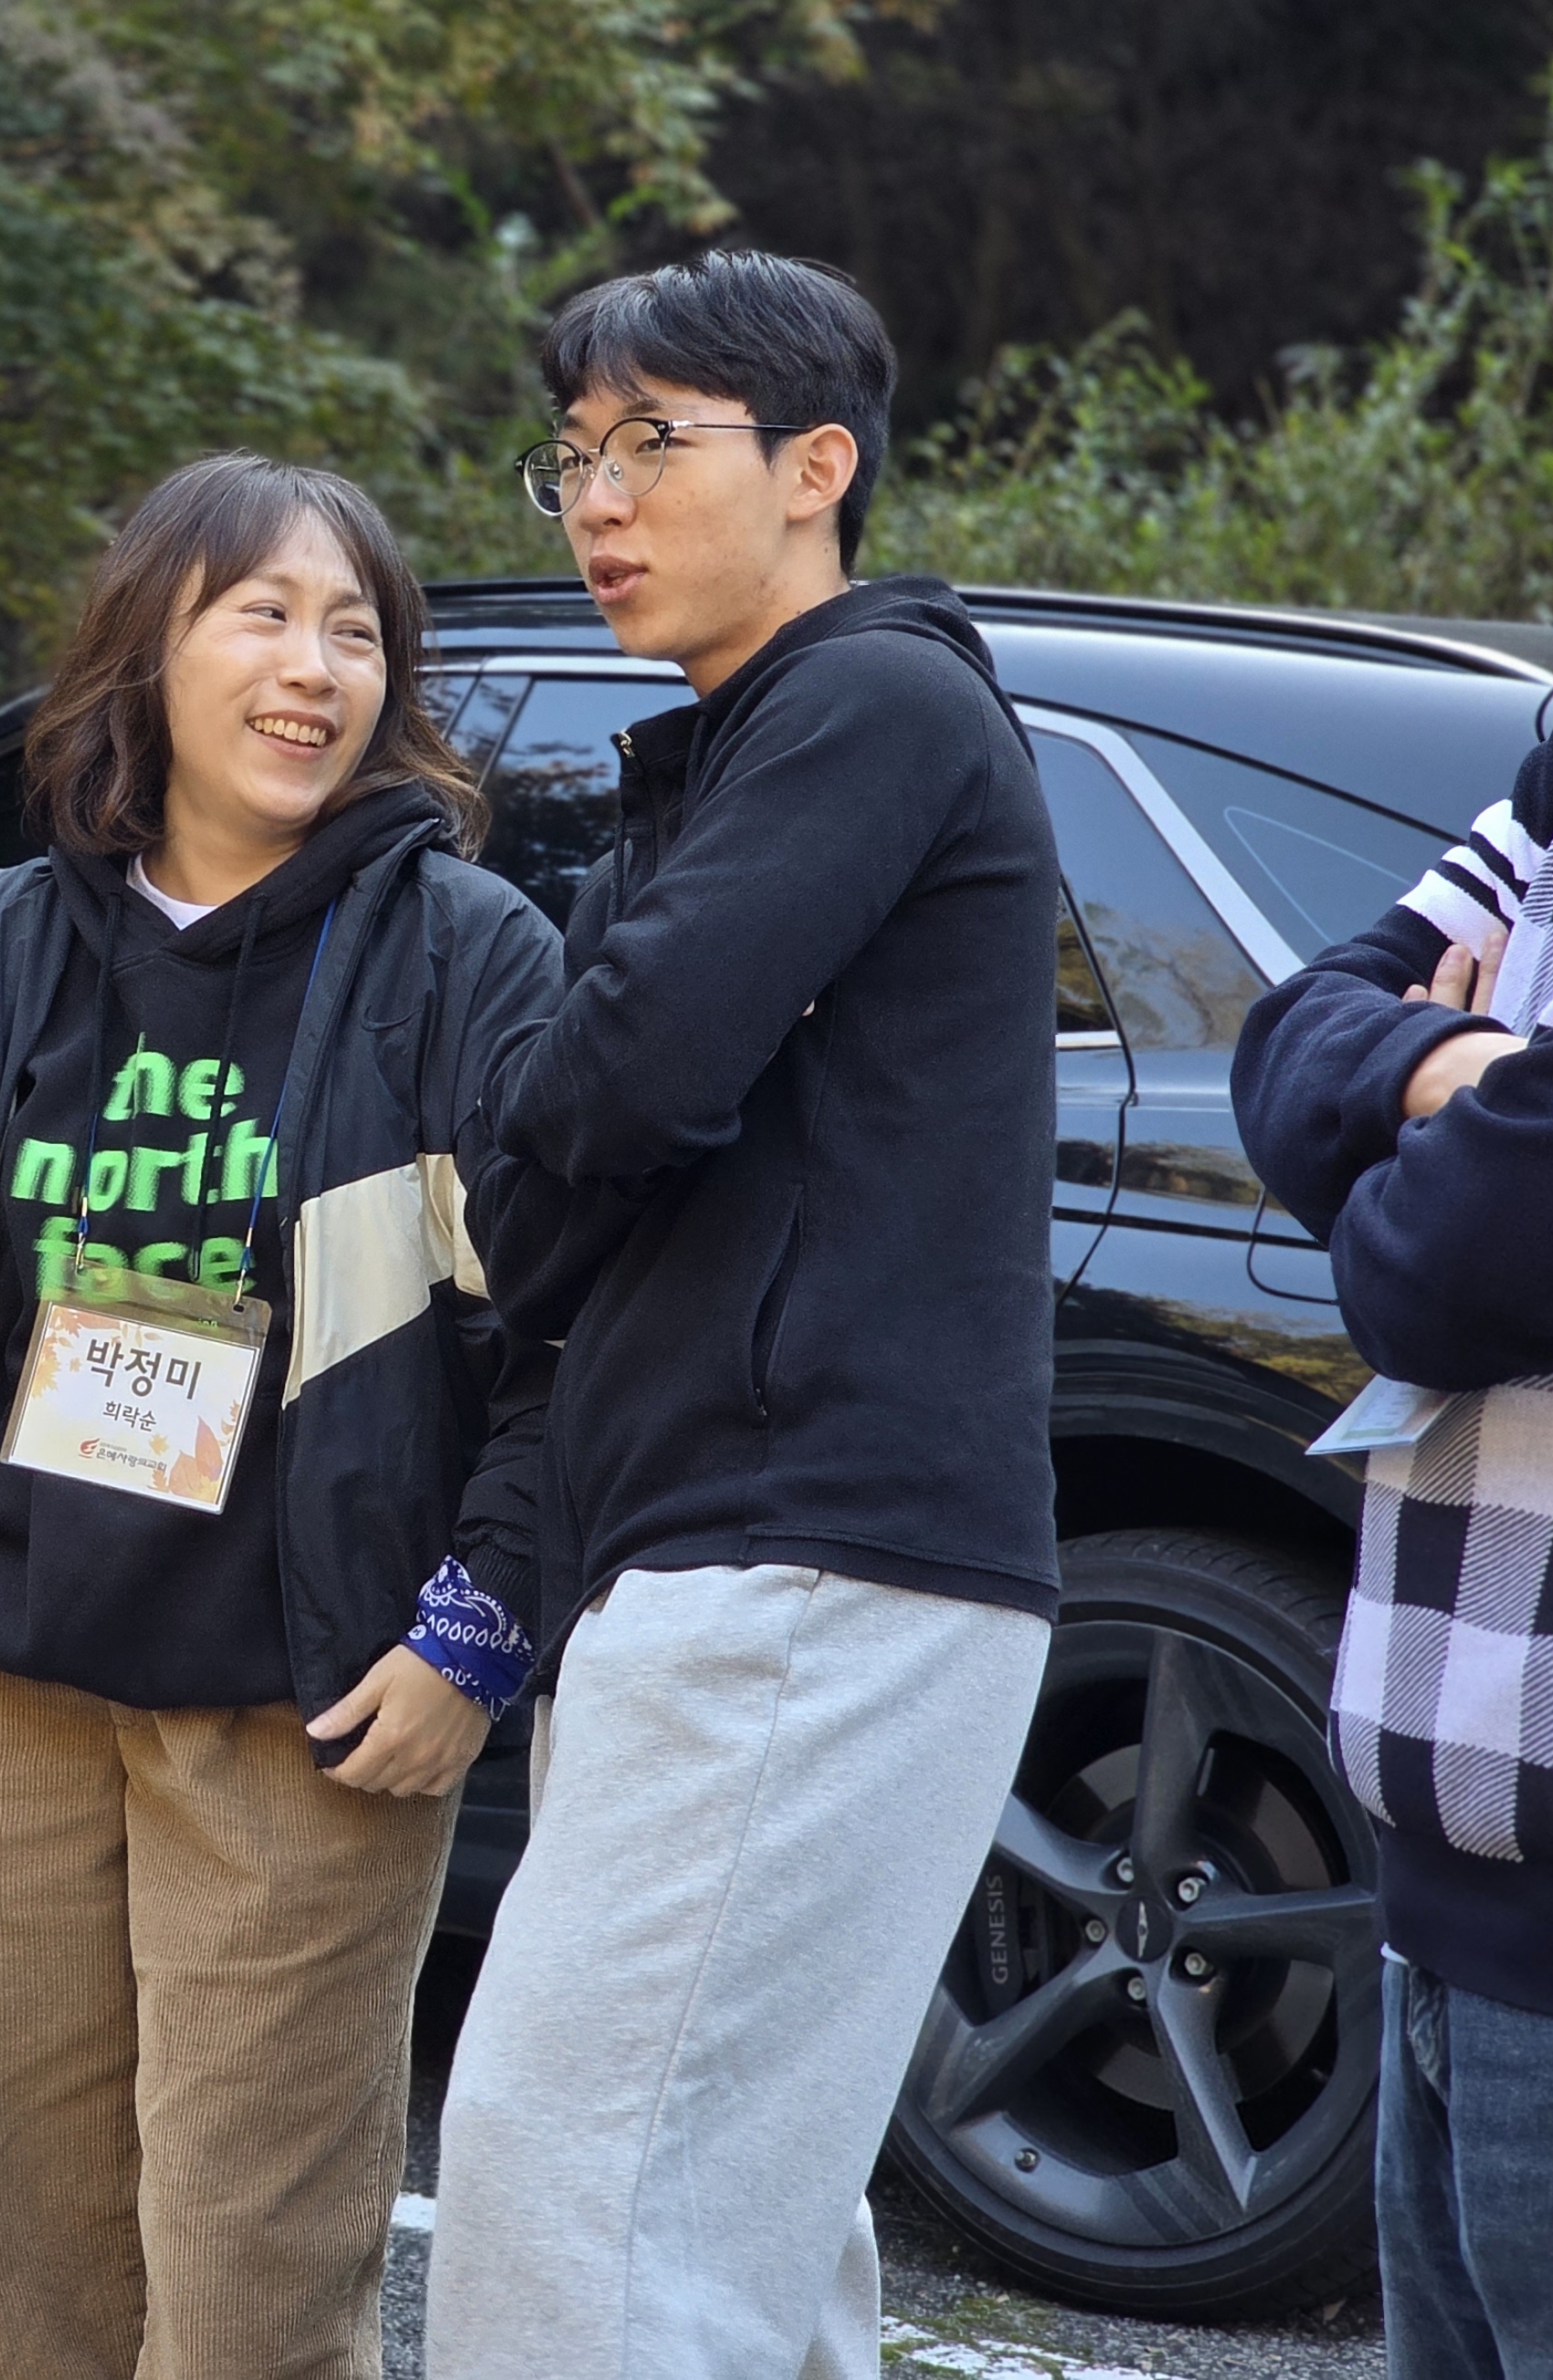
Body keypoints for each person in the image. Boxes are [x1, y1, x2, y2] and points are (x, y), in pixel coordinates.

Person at [0, 452, 565, 2380]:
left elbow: (580, 1338)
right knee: (25, 2283)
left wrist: (477, 1628)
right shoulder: (13, 958)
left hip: (300, 1715)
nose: (314, 669)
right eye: (262, 615)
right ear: (148, 649)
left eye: (356, 632)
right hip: (7, 1698)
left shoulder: (465, 957)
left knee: (245, 2309)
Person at [426, 253, 1062, 2379]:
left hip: (801, 1551)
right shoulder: (721, 752)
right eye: (568, 458)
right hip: (733, 1551)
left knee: (571, 2195)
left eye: (648, 445)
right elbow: (551, 1178)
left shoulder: (868, 701)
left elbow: (613, 1080)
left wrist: (562, 1110)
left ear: (815, 467)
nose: (595, 502)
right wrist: (566, 1114)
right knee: (729, 2235)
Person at [1232, 25, 1553, 2375]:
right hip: (1462, 1900)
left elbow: (1446, 1262)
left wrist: (1440, 1099)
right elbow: (1286, 1040)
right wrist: (1459, 1070)